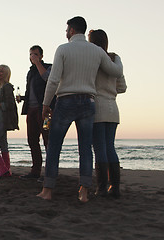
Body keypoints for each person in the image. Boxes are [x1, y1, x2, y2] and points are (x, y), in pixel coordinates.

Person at [37, 16, 123, 202]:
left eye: (67, 29)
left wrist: (45, 104)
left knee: (54, 147)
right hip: (88, 102)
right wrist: (118, 60)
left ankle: (48, 190)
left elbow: (53, 80)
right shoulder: (96, 51)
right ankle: (83, 192)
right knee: (85, 148)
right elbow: (116, 72)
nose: (65, 32)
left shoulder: (63, 49)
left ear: (72, 30)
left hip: (66, 100)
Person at [88, 29, 127, 198]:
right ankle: (115, 188)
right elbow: (122, 87)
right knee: (110, 147)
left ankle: (102, 187)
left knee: (99, 148)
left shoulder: (93, 59)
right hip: (113, 107)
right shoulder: (114, 60)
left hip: (98, 106)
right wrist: (111, 90)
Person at [17, 45, 53, 180]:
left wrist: (38, 63)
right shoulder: (30, 72)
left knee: (47, 140)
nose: (32, 57)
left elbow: (47, 78)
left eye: (35, 54)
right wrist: (23, 98)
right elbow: (31, 92)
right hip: (31, 110)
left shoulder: (48, 67)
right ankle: (35, 171)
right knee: (32, 140)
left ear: (41, 56)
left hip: (44, 110)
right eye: (31, 54)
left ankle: (49, 172)